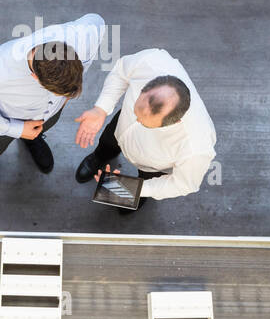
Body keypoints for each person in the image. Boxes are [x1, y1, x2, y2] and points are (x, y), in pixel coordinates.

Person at [0, 14, 107, 188]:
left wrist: (65, 99)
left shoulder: (82, 35)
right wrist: (16, 129)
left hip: (49, 116)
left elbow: (98, 21)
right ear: (35, 76)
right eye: (56, 92)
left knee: (41, 130)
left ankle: (33, 139)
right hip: (5, 121)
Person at [73, 48, 216, 213]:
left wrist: (134, 188)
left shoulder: (196, 147)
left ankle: (136, 198)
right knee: (108, 141)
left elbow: (183, 184)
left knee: (142, 181)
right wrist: (101, 109)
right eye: (137, 112)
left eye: (146, 124)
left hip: (151, 165)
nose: (138, 122)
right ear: (146, 88)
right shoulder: (151, 61)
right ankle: (99, 156)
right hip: (118, 129)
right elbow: (121, 71)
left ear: (175, 121)